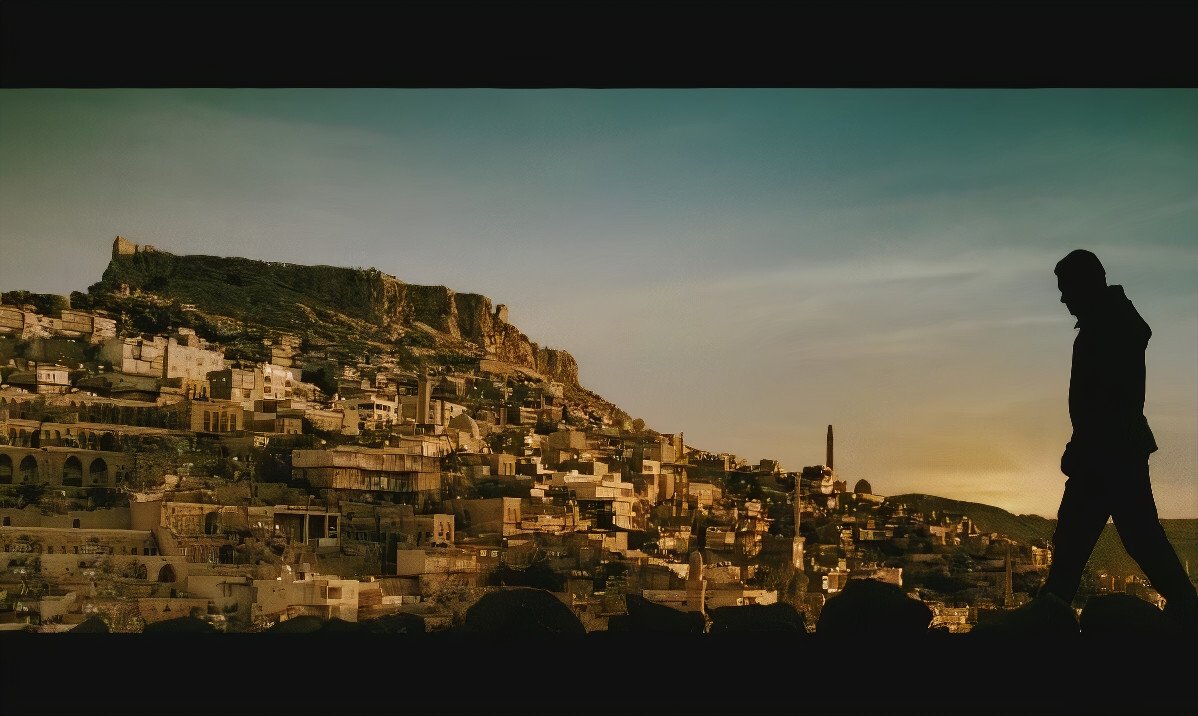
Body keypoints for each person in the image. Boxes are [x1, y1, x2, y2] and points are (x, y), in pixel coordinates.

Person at [1039, 249, 1198, 631]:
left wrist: (1080, 448)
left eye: (1066, 289)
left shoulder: (1105, 327)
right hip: (1113, 450)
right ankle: (1188, 609)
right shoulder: (1113, 322)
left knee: (1083, 537)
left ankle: (1045, 618)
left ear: (1085, 284)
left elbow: (1105, 400)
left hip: (1105, 453)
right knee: (1133, 537)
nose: (1063, 299)